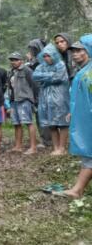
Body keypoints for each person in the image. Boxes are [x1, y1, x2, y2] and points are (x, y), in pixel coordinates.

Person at [57, 36, 92, 199]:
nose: (75, 54)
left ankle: (77, 190)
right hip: (84, 119)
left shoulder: (89, 73)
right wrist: (73, 111)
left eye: (79, 51)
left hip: (88, 120)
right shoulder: (83, 71)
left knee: (90, 154)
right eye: (73, 51)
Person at [32, 44, 70, 156]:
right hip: (46, 98)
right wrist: (50, 75)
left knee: (62, 123)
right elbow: (35, 76)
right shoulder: (41, 66)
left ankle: (62, 148)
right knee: (51, 123)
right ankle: (56, 147)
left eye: (49, 56)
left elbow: (59, 77)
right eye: (44, 56)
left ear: (54, 55)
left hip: (60, 97)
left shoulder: (60, 64)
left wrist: (45, 77)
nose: (46, 58)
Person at [7, 52, 38, 154]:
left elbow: (34, 84)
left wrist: (34, 99)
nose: (14, 62)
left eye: (16, 60)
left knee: (28, 122)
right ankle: (18, 146)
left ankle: (33, 147)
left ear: (21, 61)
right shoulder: (11, 72)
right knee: (16, 123)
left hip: (24, 99)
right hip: (13, 100)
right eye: (12, 60)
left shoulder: (27, 70)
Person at [27, 38, 52, 148]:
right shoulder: (33, 61)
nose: (32, 50)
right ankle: (44, 139)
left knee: (46, 116)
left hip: (44, 91)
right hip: (35, 92)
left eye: (33, 48)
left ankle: (48, 140)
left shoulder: (44, 59)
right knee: (39, 116)